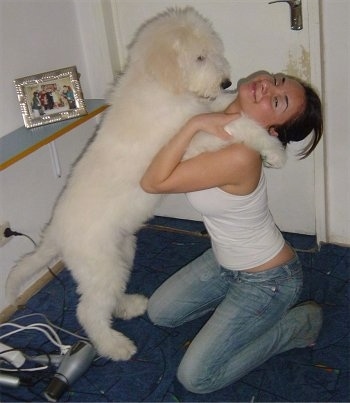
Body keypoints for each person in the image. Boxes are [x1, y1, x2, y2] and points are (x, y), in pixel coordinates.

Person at [140, 71, 323, 394]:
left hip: (269, 281)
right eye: (277, 80)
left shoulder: (240, 154)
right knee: (159, 314)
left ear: (272, 130)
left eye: (276, 101)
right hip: (224, 262)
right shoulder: (222, 108)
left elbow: (153, 182)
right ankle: (238, 313)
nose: (267, 87)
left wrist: (193, 125)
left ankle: (297, 325)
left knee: (196, 379)